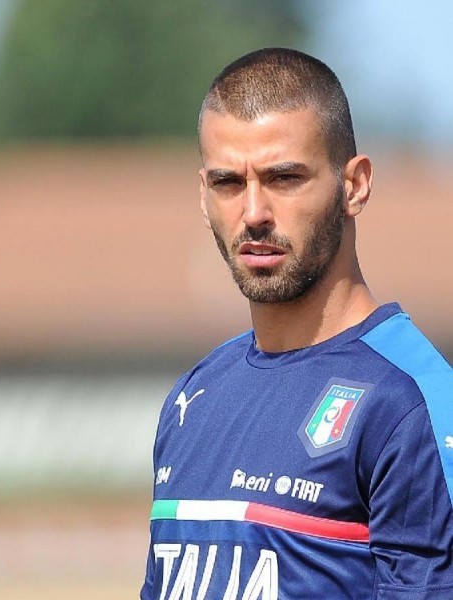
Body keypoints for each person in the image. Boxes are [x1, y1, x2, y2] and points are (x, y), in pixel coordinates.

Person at [140, 47, 453, 599]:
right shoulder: (195, 397)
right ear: (203, 193)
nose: (254, 211)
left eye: (284, 178)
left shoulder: (410, 404)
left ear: (354, 185)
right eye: (228, 183)